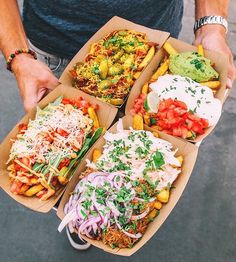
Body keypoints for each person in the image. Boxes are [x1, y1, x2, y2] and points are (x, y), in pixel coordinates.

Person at [0, 0, 235, 251]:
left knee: (116, 155)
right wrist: (19, 57)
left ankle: (90, 209)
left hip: (153, 40)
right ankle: (82, 212)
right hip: (53, 50)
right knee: (75, 165)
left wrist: (211, 25)